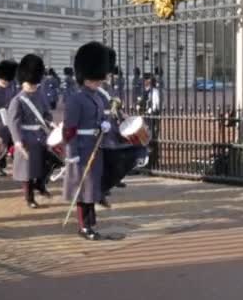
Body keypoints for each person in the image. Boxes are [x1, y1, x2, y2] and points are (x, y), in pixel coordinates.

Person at [63, 41, 111, 240]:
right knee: (83, 189)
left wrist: (103, 125)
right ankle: (83, 226)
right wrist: (71, 154)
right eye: (94, 79)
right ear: (85, 77)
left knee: (91, 188)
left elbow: (99, 117)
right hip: (81, 149)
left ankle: (91, 223)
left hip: (94, 146)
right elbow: (69, 129)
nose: (98, 82)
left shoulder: (97, 96)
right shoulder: (76, 98)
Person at [98, 48, 149, 208]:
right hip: (104, 130)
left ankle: (108, 184)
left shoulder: (109, 88)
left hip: (113, 127)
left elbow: (115, 106)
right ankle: (102, 189)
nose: (111, 77)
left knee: (119, 158)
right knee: (108, 161)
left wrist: (123, 115)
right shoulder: (97, 89)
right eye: (109, 74)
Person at [8, 54, 55, 209]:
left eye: (35, 83)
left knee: (45, 165)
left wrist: (50, 122)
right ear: (23, 81)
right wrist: (18, 141)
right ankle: (29, 198)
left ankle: (41, 186)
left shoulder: (40, 95)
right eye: (31, 83)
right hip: (26, 138)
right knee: (26, 172)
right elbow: (13, 123)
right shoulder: (17, 100)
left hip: (40, 136)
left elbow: (46, 114)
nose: (33, 86)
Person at [139, 72, 161, 168]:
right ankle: (145, 162)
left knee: (151, 139)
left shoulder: (154, 91)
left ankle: (153, 162)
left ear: (149, 81)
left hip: (151, 117)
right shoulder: (145, 90)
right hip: (145, 117)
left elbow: (156, 105)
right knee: (145, 139)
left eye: (145, 79)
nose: (143, 81)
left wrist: (149, 111)